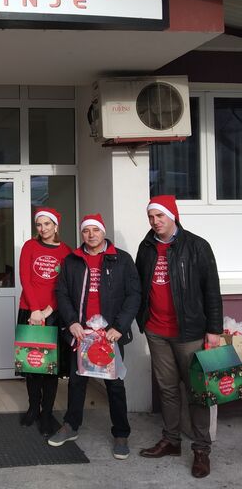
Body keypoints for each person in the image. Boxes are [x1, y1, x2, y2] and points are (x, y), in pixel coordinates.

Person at [136, 195, 223, 478]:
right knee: (168, 389)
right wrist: (141, 320)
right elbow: (139, 286)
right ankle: (171, 440)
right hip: (156, 331)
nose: (155, 221)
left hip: (190, 332)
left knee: (198, 391)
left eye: (160, 216)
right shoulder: (146, 247)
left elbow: (212, 290)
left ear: (172, 215)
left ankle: (201, 450)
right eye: (151, 217)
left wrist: (214, 330)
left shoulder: (197, 246)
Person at [48, 213, 141, 460]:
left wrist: (119, 327)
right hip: (82, 334)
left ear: (103, 231)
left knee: (115, 384)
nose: (91, 235)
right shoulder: (72, 260)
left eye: (95, 230)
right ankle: (71, 425)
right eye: (86, 231)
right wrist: (72, 322)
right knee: (77, 381)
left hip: (110, 335)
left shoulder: (122, 259)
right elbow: (61, 293)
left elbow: (134, 295)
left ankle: (121, 434)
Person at [18, 207, 72, 435]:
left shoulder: (66, 251)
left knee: (50, 367)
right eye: (39, 225)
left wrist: (49, 310)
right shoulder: (29, 246)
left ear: (55, 226)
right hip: (29, 311)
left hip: (53, 314)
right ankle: (33, 408)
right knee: (32, 364)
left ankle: (47, 413)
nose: (42, 228)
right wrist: (35, 310)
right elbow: (25, 278)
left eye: (47, 224)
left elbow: (65, 285)